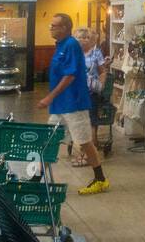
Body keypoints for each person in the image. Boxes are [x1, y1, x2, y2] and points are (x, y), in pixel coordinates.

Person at [38, 13, 109, 195]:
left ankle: (100, 179)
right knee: (48, 140)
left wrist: (49, 97)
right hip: (60, 106)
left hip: (74, 103)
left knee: (84, 142)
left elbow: (70, 75)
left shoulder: (71, 45)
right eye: (51, 25)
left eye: (54, 26)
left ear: (65, 28)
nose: (51, 28)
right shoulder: (60, 46)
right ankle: (36, 179)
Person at [74, 28, 107, 166]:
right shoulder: (74, 53)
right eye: (81, 37)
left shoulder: (96, 53)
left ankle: (89, 155)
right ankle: (81, 152)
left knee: (91, 123)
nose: (84, 40)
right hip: (76, 93)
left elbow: (102, 71)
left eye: (87, 37)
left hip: (91, 92)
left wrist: (101, 85)